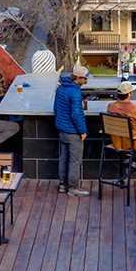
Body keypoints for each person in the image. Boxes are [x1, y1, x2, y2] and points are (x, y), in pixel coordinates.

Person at [55, 64, 90, 196]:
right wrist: (82, 131)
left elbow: (56, 109)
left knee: (64, 158)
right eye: (84, 79)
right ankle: (73, 188)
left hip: (62, 130)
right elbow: (76, 115)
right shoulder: (75, 92)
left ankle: (63, 185)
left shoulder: (61, 88)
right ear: (77, 78)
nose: (86, 81)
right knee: (75, 161)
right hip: (73, 131)